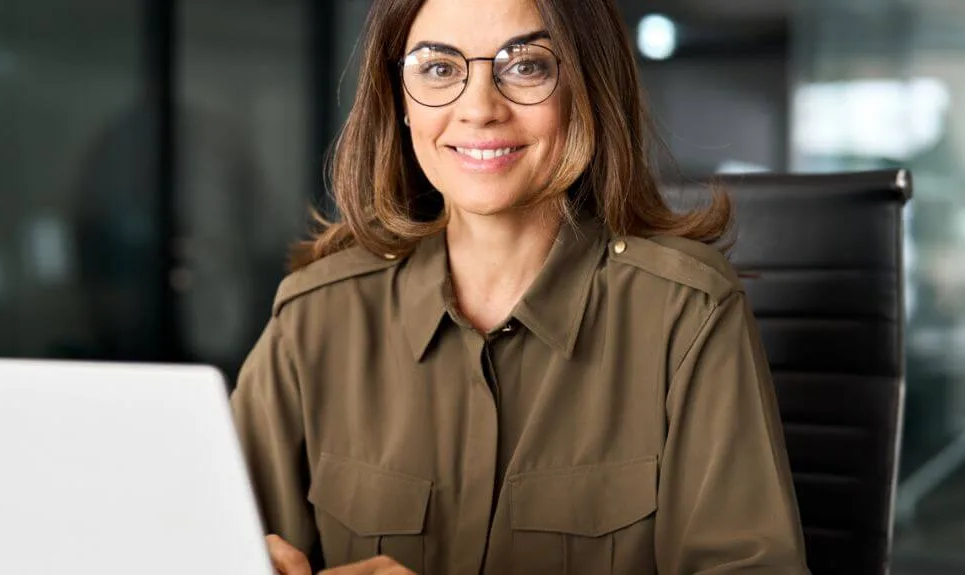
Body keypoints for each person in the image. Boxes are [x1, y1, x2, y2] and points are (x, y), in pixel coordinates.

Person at [231, 0, 810, 573]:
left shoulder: (688, 312)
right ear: (400, 100)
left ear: (588, 89)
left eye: (526, 65)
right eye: (438, 68)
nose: (479, 108)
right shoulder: (316, 315)